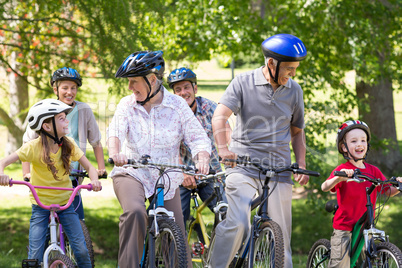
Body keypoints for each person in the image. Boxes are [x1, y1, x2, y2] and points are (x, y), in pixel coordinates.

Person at [209, 33, 309, 268]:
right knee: (238, 222)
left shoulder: (295, 91)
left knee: (281, 234)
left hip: (279, 169)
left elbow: (297, 132)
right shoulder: (243, 83)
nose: (293, 73)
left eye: (295, 68)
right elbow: (220, 116)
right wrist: (223, 149)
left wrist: (301, 163)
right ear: (271, 63)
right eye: (289, 68)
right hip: (242, 165)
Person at [107, 51, 211, 267]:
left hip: (166, 177)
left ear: (152, 80)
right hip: (131, 172)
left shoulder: (177, 105)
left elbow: (197, 136)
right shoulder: (127, 105)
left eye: (134, 81)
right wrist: (115, 152)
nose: (129, 87)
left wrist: (202, 158)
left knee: (177, 239)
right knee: (135, 213)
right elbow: (115, 132)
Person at [0, 99, 102, 267]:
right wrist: (2, 174)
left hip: (65, 204)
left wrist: (95, 180)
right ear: (47, 127)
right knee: (34, 255)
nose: (67, 121)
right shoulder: (32, 147)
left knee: (82, 251)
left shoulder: (69, 145)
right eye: (61, 118)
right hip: (40, 207)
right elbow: (2, 162)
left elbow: (90, 167)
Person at [22, 67, 106, 221]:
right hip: (46, 172)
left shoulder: (84, 110)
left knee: (76, 218)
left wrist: (101, 168)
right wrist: (26, 173)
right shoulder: (45, 109)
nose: (70, 92)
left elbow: (96, 141)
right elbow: (28, 141)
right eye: (65, 88)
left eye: (73, 88)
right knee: (45, 219)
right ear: (56, 89)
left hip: (73, 173)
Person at [321, 120, 402, 267]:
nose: (360, 144)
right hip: (344, 227)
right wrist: (339, 178)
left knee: (366, 261)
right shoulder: (343, 169)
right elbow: (324, 186)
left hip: (365, 225)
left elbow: (387, 190)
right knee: (341, 264)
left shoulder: (373, 171)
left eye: (363, 140)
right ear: (343, 147)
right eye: (354, 141)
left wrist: (399, 185)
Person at [167, 67, 229, 227]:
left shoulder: (210, 108)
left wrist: (229, 153)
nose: (182, 93)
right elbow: (170, 146)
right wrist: (182, 173)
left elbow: (226, 131)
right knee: (176, 219)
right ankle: (176, 250)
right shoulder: (169, 113)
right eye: (177, 89)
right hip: (183, 175)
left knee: (228, 215)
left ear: (195, 88)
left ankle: (220, 250)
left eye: (186, 87)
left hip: (211, 172)